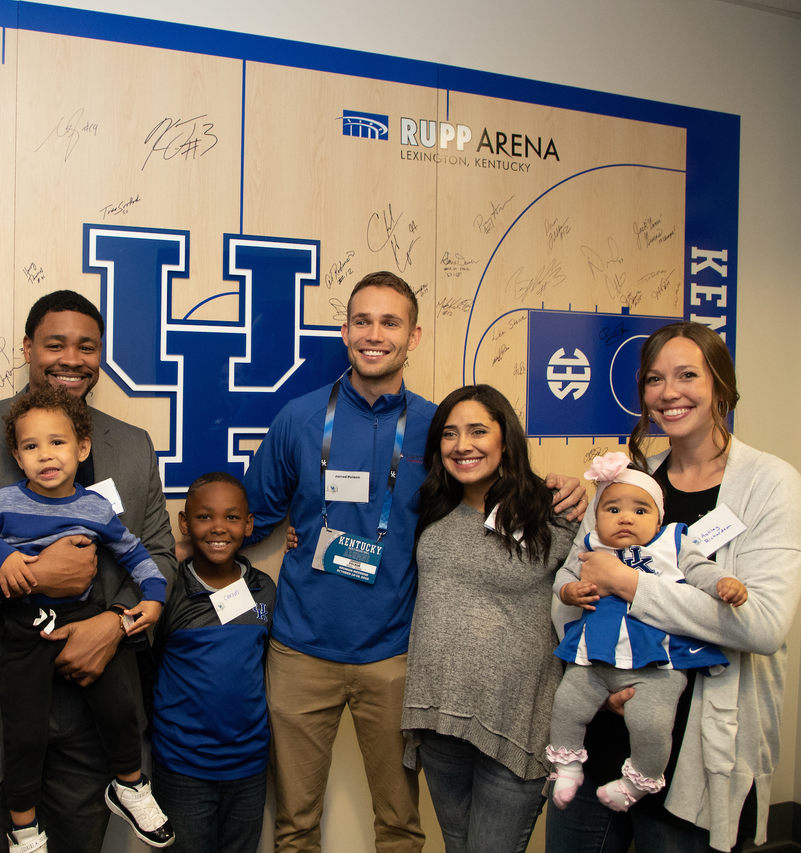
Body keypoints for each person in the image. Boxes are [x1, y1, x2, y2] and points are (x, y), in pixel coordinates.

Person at [243, 271, 586, 853]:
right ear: (345, 330)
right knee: (294, 826)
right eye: (362, 320)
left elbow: (495, 491)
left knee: (400, 827)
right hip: (300, 652)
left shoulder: (440, 428)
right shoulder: (298, 419)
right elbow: (250, 518)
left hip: (399, 657)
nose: (374, 334)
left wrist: (562, 486)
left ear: (414, 335)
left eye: (390, 322)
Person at [0, 290, 176, 853]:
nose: (71, 358)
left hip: (92, 698)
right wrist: (32, 577)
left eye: (87, 346)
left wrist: (116, 624)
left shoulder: (133, 445)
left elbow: (159, 553)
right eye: (55, 343)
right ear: (27, 348)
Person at [546, 322, 801, 852]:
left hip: (694, 749)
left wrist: (629, 585)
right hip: (599, 730)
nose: (669, 393)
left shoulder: (769, 484)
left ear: (721, 384)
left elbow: (760, 624)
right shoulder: (633, 481)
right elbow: (569, 585)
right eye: (654, 379)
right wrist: (605, 672)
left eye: (687, 375)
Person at [0, 384, 174, 851]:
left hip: (84, 616)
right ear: (17, 457)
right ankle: (25, 829)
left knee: (119, 707)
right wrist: (0, 557)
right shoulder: (2, 502)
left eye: (57, 443)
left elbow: (135, 552)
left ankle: (131, 786)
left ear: (82, 447)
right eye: (31, 446)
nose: (46, 456)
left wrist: (153, 597)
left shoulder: (95, 507)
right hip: (23, 623)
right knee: (23, 732)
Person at [402, 384, 578, 853]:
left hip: (515, 717)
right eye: (450, 434)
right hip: (439, 713)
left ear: (506, 439)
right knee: (458, 846)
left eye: (478, 431)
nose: (463, 445)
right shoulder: (433, 508)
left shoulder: (555, 512)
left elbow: (596, 595)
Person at [548, 451, 747, 814]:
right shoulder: (592, 545)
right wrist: (568, 591)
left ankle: (637, 782)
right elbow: (565, 579)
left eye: (640, 511)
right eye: (612, 510)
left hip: (655, 665)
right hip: (595, 658)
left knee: (651, 725)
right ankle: (568, 767)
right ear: (597, 518)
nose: (626, 518)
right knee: (565, 705)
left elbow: (701, 571)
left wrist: (724, 584)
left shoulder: (672, 544)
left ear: (658, 519)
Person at [151, 472, 275, 853]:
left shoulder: (265, 588)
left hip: (249, 765)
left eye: (232, 517)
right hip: (182, 766)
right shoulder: (167, 589)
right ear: (184, 523)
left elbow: (264, 662)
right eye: (204, 517)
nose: (218, 527)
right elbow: (149, 664)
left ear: (249, 524)